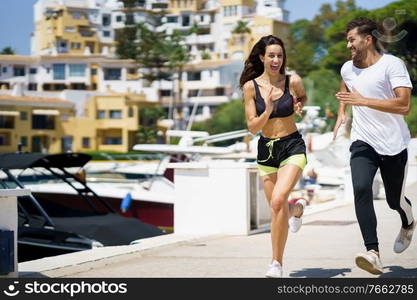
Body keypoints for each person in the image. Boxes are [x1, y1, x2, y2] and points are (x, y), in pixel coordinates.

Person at [334, 17, 415, 275]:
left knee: (394, 201)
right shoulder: (347, 68)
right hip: (363, 140)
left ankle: (409, 222)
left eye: (352, 40)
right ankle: (373, 252)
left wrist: (363, 101)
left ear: (367, 39)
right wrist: (341, 113)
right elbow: (346, 85)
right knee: (360, 187)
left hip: (394, 144)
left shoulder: (392, 65)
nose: (348, 45)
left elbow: (404, 105)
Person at [240, 35, 308, 278]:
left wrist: (299, 104)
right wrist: (268, 108)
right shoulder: (251, 87)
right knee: (277, 207)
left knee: (279, 200)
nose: (276, 59)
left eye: (280, 55)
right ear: (262, 57)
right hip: (266, 149)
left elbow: (302, 97)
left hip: (292, 146)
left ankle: (276, 263)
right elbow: (252, 127)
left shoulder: (293, 81)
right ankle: (297, 210)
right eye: (271, 55)